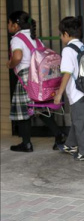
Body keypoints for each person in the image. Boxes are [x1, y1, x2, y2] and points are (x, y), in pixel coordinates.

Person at [6, 11, 66, 152]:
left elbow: (18, 56)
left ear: (15, 25)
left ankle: (26, 143)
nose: (8, 26)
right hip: (40, 77)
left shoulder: (16, 39)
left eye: (9, 23)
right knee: (40, 107)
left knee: (23, 110)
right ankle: (59, 134)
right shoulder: (35, 38)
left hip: (27, 77)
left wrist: (10, 64)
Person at [54, 17, 84, 162]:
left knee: (79, 121)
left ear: (66, 34)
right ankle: (70, 145)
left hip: (76, 92)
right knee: (79, 120)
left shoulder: (68, 51)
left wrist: (59, 94)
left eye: (60, 34)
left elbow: (67, 73)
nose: (60, 37)